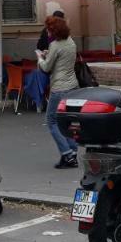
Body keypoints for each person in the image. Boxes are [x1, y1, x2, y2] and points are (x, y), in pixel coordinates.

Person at [38, 15, 80, 168]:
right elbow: (62, 60)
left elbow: (46, 68)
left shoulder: (55, 45)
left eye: (49, 30)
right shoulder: (71, 42)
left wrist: (40, 58)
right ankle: (73, 152)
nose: (47, 32)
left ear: (54, 30)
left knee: (52, 120)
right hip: (73, 86)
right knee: (66, 121)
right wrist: (48, 54)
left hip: (59, 88)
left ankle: (67, 154)